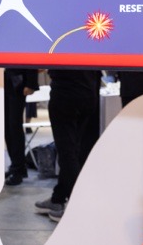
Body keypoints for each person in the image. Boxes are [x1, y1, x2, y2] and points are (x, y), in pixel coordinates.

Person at [34, 69, 101, 222]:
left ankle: (78, 206)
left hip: (65, 93)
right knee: (73, 150)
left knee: (67, 153)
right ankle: (58, 198)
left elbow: (41, 65)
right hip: (88, 94)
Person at [4, 68, 41, 185]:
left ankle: (18, 169)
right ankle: (16, 166)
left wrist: (31, 83)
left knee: (14, 126)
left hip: (17, 82)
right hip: (6, 81)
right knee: (8, 126)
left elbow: (31, 59)